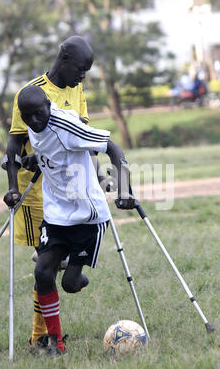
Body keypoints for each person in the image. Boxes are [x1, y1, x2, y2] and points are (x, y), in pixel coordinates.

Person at [14, 85, 135, 355]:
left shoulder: (66, 125)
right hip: (56, 215)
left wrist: (124, 190)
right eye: (27, 116)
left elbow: (112, 148)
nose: (34, 121)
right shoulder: (34, 124)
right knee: (42, 273)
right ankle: (56, 343)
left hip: (86, 217)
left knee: (69, 284)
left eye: (38, 113)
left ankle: (73, 269)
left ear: (48, 105)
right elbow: (53, 151)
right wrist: (37, 159)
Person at [3, 35, 105, 352]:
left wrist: (98, 174)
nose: (83, 76)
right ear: (64, 59)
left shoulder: (76, 88)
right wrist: (12, 186)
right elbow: (14, 143)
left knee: (55, 268)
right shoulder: (32, 93)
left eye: (86, 70)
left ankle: (48, 330)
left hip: (73, 185)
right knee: (43, 270)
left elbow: (84, 134)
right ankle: (40, 338)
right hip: (38, 189)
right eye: (80, 68)